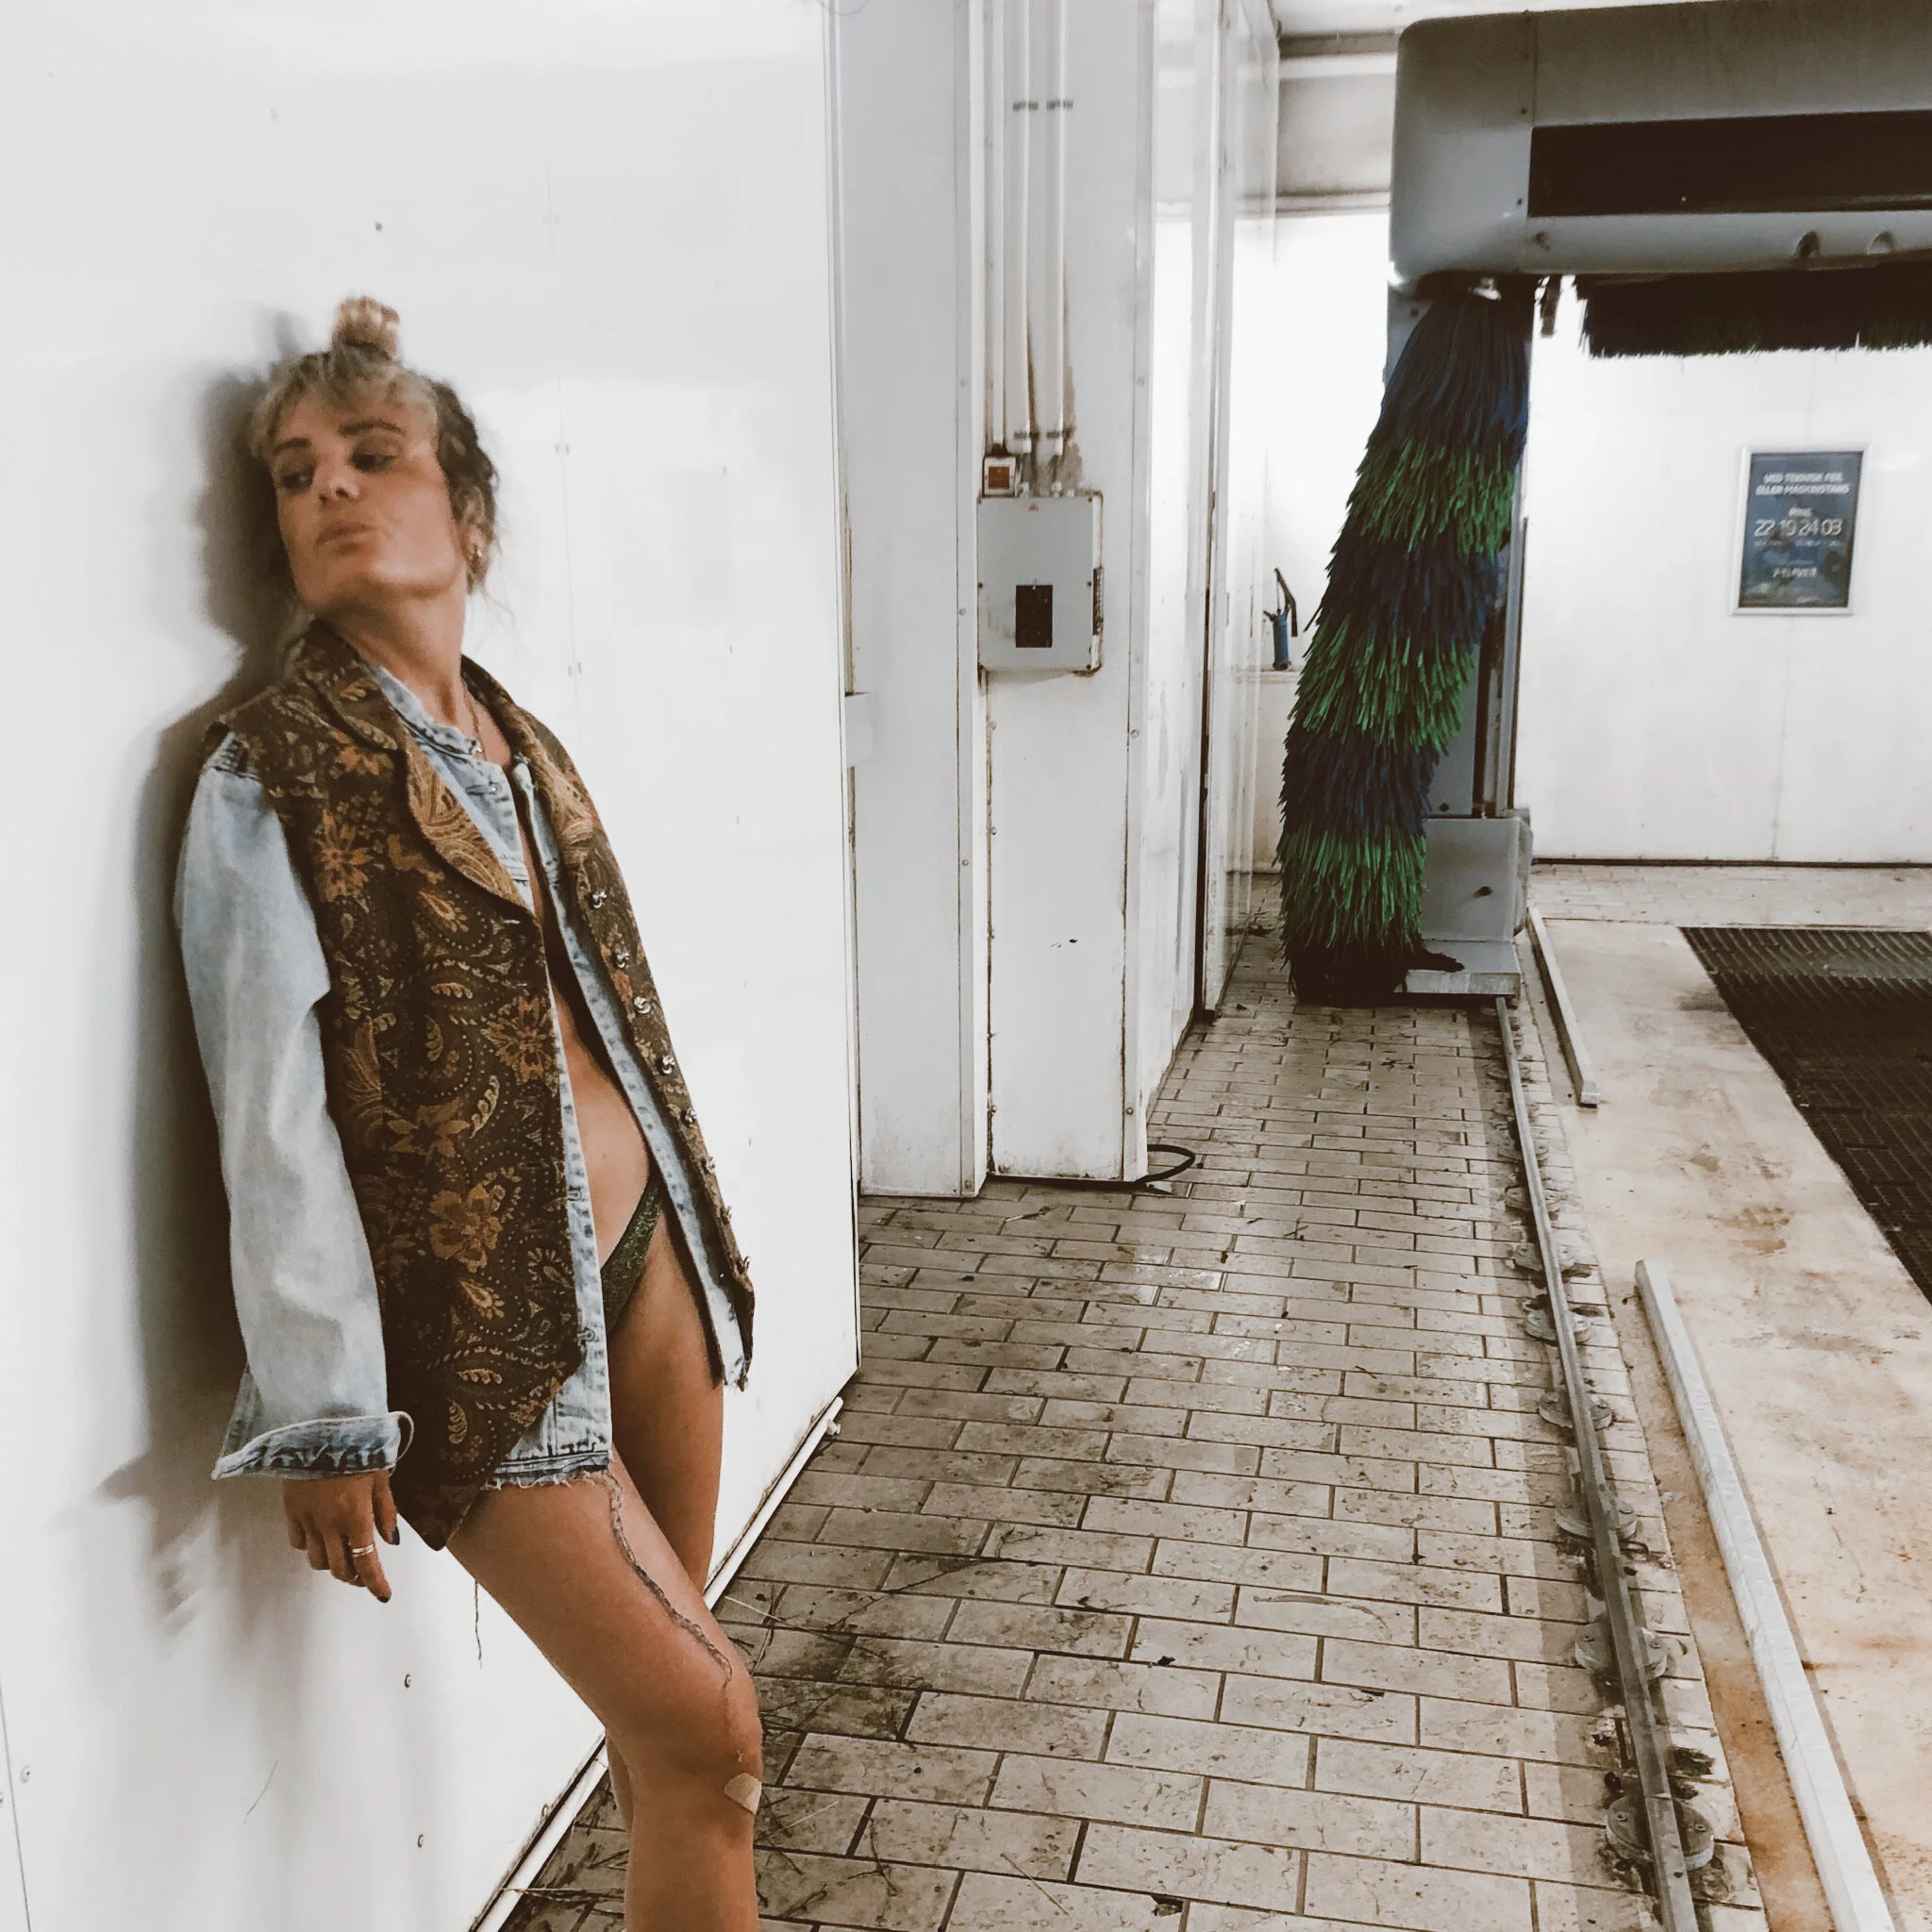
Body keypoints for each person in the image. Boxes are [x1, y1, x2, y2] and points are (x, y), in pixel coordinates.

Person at [175, 297, 764, 1930]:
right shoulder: (267, 774)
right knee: (712, 1730)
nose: (329, 487)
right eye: (295, 472)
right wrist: (324, 1409)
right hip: (487, 1332)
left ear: (471, 516)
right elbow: (269, 1118)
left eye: (375, 455)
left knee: (667, 1741)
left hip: (649, 1259)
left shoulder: (517, 732)